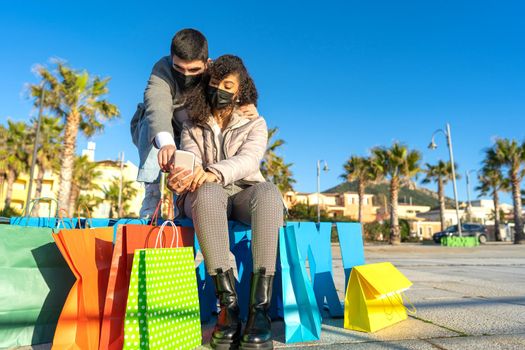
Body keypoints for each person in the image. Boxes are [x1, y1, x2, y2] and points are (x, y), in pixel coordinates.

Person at [167, 55, 283, 350]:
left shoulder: (255, 123)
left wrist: (213, 172)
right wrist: (183, 177)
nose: (219, 89)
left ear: (240, 89)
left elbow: (248, 160)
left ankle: (259, 311)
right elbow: (190, 160)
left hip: (243, 191)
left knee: (269, 192)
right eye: (214, 83)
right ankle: (228, 311)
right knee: (207, 193)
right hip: (207, 195)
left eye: (227, 85)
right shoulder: (193, 124)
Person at [130, 29, 257, 217]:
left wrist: (248, 104)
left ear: (207, 63)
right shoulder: (162, 68)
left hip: (192, 131)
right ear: (171, 58)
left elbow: (236, 82)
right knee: (150, 121)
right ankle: (152, 194)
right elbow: (156, 101)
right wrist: (165, 143)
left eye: (194, 70)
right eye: (179, 68)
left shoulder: (215, 71)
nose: (186, 75)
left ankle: (180, 202)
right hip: (162, 128)